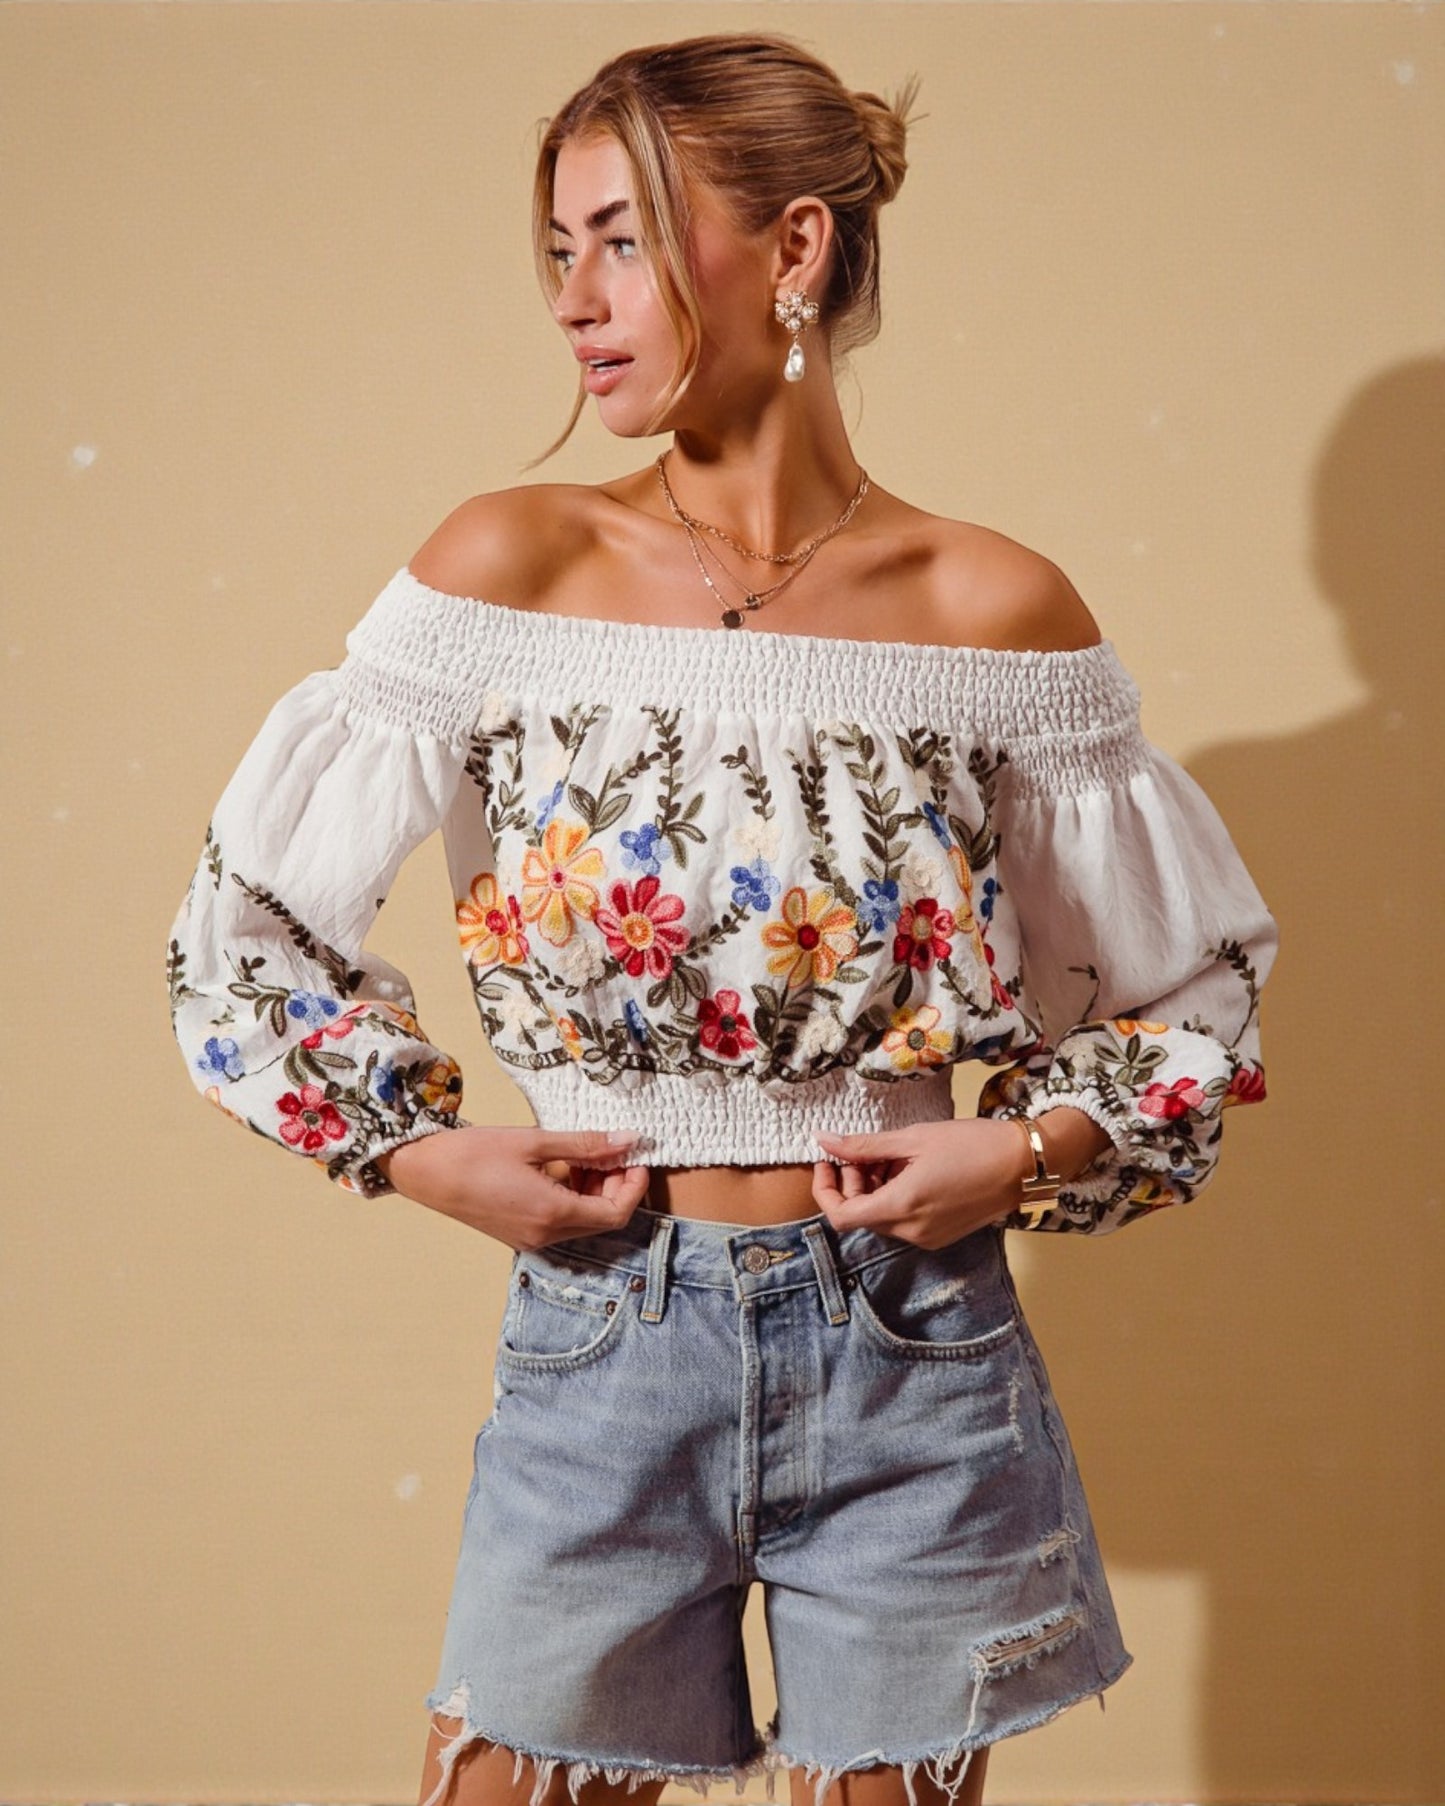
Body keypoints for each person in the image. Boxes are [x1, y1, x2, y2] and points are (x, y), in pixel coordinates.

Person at [165, 31, 1278, 1806]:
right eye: (557, 251)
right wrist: (421, 1152)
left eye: (620, 238)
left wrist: (1028, 1148)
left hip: (916, 1345)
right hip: (607, 1330)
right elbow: (240, 938)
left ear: (796, 252)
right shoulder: (501, 572)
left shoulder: (991, 607)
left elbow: (1197, 1008)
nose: (574, 300)